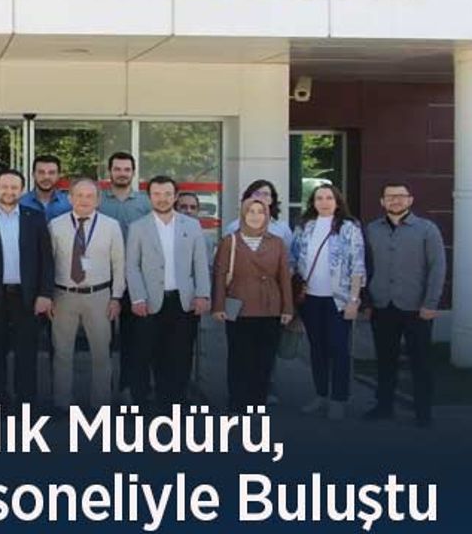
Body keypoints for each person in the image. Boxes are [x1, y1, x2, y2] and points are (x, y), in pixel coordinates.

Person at [363, 182, 447, 427]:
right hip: (382, 305)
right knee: (384, 360)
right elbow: (365, 266)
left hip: (416, 307)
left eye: (400, 196)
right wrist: (367, 300)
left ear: (410, 200)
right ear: (382, 202)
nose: (395, 200)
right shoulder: (372, 229)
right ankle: (384, 406)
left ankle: (423, 411)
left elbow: (437, 267)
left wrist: (431, 303)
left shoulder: (426, 229)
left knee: (420, 361)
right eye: (390, 196)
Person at [124, 175, 212, 409]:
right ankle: (142, 405)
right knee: (144, 355)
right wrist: (138, 297)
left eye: (167, 194)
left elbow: (200, 263)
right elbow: (132, 266)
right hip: (149, 302)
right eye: (157, 194)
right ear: (149, 196)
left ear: (175, 196)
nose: (162, 199)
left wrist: (203, 294)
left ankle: (174, 405)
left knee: (180, 356)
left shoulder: (191, 226)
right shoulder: (138, 227)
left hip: (183, 302)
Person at [0, 169, 54, 404]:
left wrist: (45, 294)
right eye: (4, 186)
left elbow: (46, 260)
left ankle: (26, 403)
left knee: (27, 354)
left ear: (22, 190)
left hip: (27, 297)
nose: (9, 191)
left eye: (14, 187)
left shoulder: (35, 218)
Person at [49, 178, 125, 411]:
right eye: (79, 195)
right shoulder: (55, 225)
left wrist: (116, 297)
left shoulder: (111, 226)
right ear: (70, 198)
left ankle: (100, 404)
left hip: (99, 296)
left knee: (101, 354)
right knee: (62, 353)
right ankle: (62, 403)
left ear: (98, 200)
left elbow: (119, 263)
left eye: (90, 196)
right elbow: (48, 263)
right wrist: (48, 297)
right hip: (63, 295)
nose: (84, 200)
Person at [291, 184, 366, 420]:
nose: (324, 202)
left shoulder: (349, 228)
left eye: (329, 198)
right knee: (317, 349)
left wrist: (354, 299)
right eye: (319, 198)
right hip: (310, 299)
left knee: (339, 349)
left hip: (338, 300)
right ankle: (321, 394)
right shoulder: (305, 226)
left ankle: (339, 399)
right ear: (313, 202)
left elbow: (358, 265)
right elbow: (293, 259)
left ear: (337, 201)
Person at [212, 199, 294, 412]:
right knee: (239, 357)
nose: (256, 216)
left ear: (267, 215)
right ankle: (238, 402)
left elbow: (284, 277)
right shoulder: (230, 241)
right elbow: (220, 275)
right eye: (251, 211)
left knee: (264, 360)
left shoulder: (277, 243)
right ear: (243, 214)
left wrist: (287, 308)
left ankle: (258, 402)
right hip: (238, 306)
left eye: (260, 212)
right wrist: (218, 306)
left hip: (270, 307)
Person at [97, 152, 152, 402]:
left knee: (135, 338)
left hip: (135, 277)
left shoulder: (145, 202)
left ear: (133, 172)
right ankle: (104, 391)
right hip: (103, 276)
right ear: (109, 171)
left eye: (126, 169)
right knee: (103, 338)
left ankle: (130, 390)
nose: (122, 173)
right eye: (117, 169)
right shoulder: (98, 200)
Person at [226, 180, 293, 248]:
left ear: (272, 199)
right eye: (257, 194)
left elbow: (287, 253)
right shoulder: (234, 227)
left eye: (266, 194)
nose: (261, 197)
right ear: (249, 197)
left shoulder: (282, 229)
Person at [19, 155, 72, 222]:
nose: (46, 177)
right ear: (33, 175)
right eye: (41, 172)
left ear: (58, 176)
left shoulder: (70, 203)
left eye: (51, 173)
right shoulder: (21, 203)